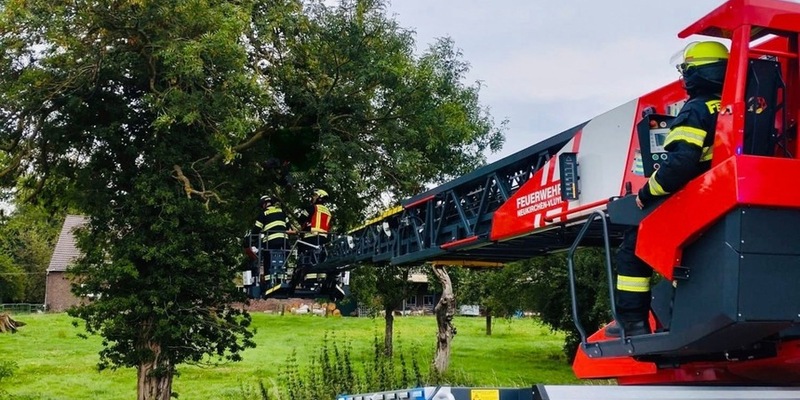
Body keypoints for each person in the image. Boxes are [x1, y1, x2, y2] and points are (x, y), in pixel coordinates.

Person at [607, 41, 729, 337]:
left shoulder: (695, 111)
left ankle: (632, 323)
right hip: (723, 198)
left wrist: (646, 194)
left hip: (699, 201)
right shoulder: (734, 106)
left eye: (687, 70)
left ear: (697, 74)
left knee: (634, 245)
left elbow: (680, 165)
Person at [252, 195, 291, 279]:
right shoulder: (281, 212)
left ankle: (268, 280)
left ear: (264, 204)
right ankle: (282, 278)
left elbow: (256, 229)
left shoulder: (263, 213)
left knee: (267, 259)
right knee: (283, 259)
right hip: (284, 241)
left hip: (270, 241)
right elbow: (288, 226)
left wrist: (251, 240)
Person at [296, 188, 333, 264]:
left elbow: (301, 219)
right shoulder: (328, 212)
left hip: (310, 237)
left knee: (306, 260)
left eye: (315, 196)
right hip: (323, 239)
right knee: (320, 261)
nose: (313, 198)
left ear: (319, 197)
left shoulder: (312, 208)